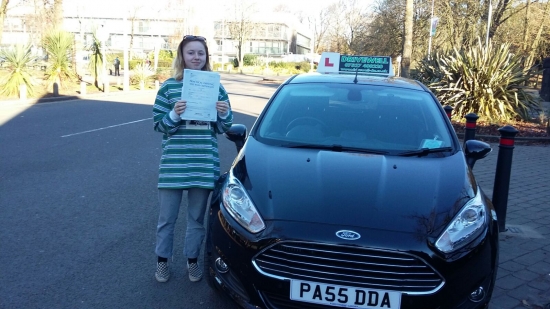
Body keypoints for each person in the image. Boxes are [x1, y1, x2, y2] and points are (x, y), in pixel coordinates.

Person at [152, 35, 233, 283]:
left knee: (197, 220)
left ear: (206, 57)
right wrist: (174, 115)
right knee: (167, 219)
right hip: (174, 165)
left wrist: (225, 113)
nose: (196, 57)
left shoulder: (216, 87)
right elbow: (159, 126)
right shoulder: (168, 87)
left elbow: (223, 128)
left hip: (203, 163)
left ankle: (193, 261)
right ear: (182, 56)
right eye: (191, 53)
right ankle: (162, 263)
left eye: (201, 53)